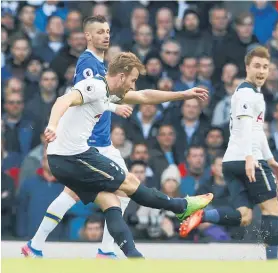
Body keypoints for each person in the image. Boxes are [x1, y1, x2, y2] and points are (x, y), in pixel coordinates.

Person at [21, 16, 209, 259]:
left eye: (108, 30)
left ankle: (46, 248)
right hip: (85, 149)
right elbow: (70, 98)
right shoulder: (90, 67)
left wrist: (183, 94)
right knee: (128, 188)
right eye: (100, 31)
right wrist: (54, 125)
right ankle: (179, 208)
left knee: (111, 199)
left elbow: (142, 96)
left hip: (79, 151)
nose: (106, 35)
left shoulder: (105, 77)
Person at [178, 46, 278, 260]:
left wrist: (271, 158)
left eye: (265, 67)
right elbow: (246, 125)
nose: (262, 71)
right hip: (248, 159)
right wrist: (249, 157)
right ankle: (273, 263)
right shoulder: (246, 92)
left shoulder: (252, 92)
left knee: (245, 216)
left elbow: (256, 130)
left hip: (230, 162)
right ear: (247, 67)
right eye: (257, 66)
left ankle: (202, 215)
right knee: (271, 207)